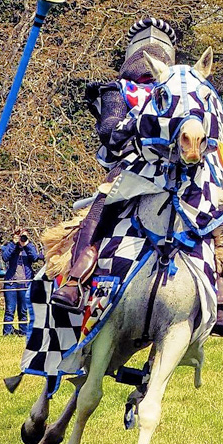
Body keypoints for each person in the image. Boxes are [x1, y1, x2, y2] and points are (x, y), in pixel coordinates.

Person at [50, 18, 174, 310]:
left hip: (174, 166)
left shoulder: (178, 90)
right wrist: (137, 126)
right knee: (102, 206)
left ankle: (219, 294)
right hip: (133, 165)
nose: (152, 54)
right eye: (146, 47)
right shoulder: (118, 90)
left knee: (220, 213)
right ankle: (75, 281)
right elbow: (108, 129)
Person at [2, 229, 41, 336]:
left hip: (25, 283)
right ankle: (6, 333)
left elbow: (34, 257)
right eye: (20, 236)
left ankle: (23, 332)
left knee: (23, 310)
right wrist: (13, 243)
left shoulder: (29, 247)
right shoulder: (11, 246)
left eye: (24, 236)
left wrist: (26, 244)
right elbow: (5, 257)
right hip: (11, 283)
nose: (21, 239)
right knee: (10, 309)